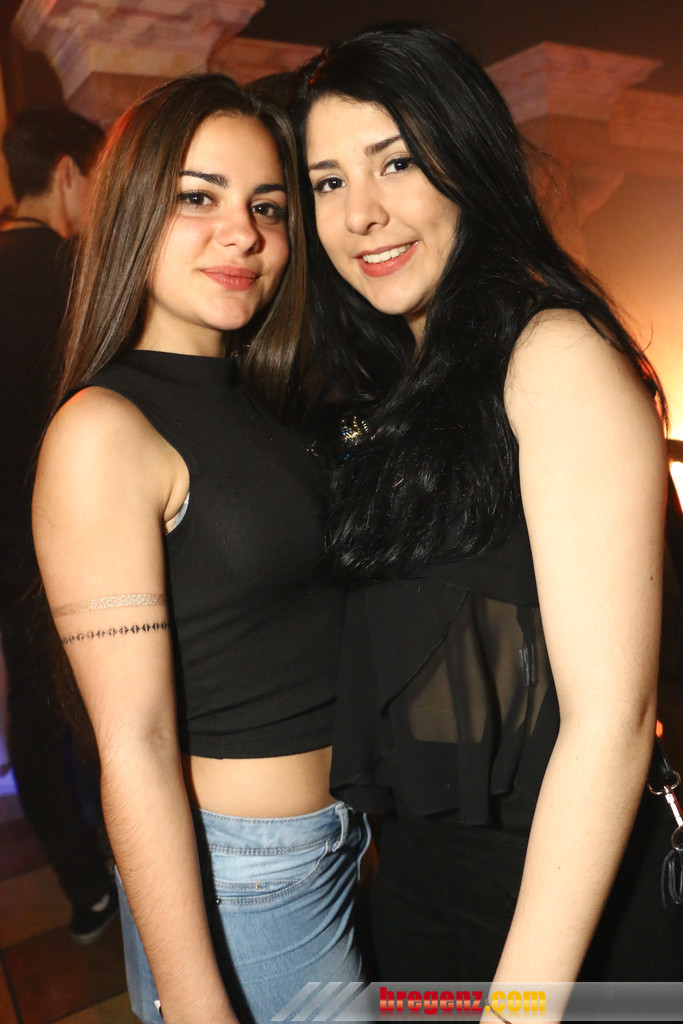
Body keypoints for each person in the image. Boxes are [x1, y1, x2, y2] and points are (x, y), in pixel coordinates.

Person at [293, 21, 682, 1016]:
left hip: (560, 909)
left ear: (465, 157)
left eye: (396, 161)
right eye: (328, 180)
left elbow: (607, 724)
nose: (361, 213)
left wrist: (515, 1008)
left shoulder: (550, 354)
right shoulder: (406, 382)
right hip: (425, 891)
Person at [32, 74, 368, 1024]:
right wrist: (192, 1002)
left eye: (268, 206)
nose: (243, 234)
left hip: (335, 840)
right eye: (197, 197)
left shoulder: (265, 399)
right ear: (132, 210)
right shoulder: (102, 430)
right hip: (244, 877)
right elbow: (134, 746)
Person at [0, 105, 115, 943]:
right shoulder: (76, 274)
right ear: (69, 173)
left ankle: (85, 889)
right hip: (75, 526)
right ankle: (138, 868)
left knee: (35, 717)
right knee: (109, 703)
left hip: (5, 540)